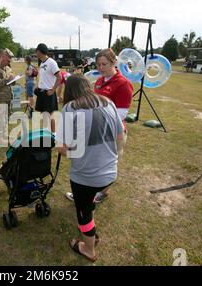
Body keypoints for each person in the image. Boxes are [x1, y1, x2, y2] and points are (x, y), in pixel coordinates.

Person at [56, 74, 124, 262]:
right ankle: (89, 231)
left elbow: (61, 148)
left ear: (69, 91)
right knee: (89, 203)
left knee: (83, 213)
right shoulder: (108, 102)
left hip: (85, 176)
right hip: (110, 172)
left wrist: (75, 152)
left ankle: (89, 249)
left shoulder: (70, 108)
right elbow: (120, 137)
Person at [65, 48, 133, 204]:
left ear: (114, 62)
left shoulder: (123, 84)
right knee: (90, 162)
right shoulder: (100, 81)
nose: (101, 68)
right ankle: (84, 192)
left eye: (104, 64)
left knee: (108, 162)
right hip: (95, 130)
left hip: (113, 131)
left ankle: (102, 192)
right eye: (98, 64)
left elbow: (120, 114)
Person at [34, 43, 62, 133]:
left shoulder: (51, 62)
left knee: (50, 115)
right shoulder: (42, 62)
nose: (36, 53)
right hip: (41, 93)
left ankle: (53, 135)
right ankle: (46, 133)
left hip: (48, 93)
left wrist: (53, 90)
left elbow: (59, 77)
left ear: (40, 51)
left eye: (36, 51)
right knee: (44, 115)